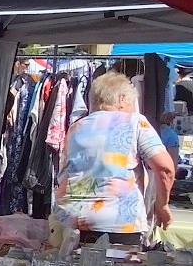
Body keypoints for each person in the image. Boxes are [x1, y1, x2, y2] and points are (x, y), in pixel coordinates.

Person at [55, 72, 174, 245]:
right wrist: (162, 205)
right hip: (117, 223)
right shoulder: (135, 123)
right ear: (122, 99)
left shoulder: (76, 127)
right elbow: (165, 169)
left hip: (69, 221)